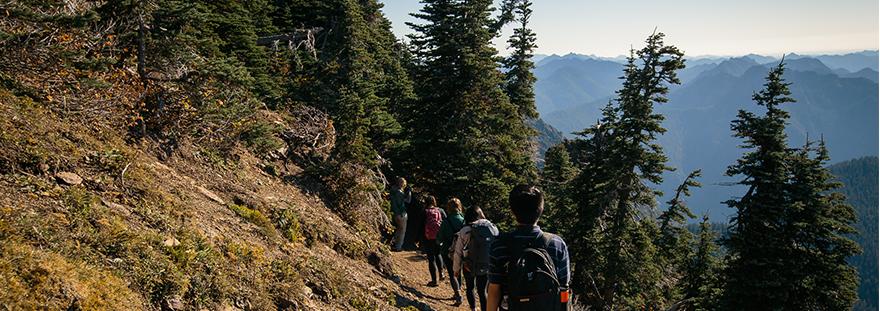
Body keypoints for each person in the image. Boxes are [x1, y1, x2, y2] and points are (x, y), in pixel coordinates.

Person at [487, 185, 571, 311]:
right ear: (541, 209)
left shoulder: (499, 244)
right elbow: (564, 287)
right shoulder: (556, 244)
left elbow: (494, 290)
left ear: (512, 211)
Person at [452, 207, 499, 311]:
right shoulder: (490, 227)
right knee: (482, 291)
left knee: (470, 288)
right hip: (485, 264)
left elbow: (458, 252)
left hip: (468, 264)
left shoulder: (464, 230)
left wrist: (456, 269)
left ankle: (473, 309)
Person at [438, 197, 466, 305]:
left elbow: (439, 238)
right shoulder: (464, 220)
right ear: (459, 207)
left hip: (448, 251)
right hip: (461, 251)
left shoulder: (446, 221)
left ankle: (457, 293)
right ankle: (457, 291)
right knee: (459, 272)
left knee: (452, 273)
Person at [423, 195, 446, 286]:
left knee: (431, 258)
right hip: (438, 237)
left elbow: (421, 225)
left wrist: (417, 238)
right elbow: (445, 222)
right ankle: (441, 273)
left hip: (428, 237)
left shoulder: (424, 212)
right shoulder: (440, 211)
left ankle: (434, 280)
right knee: (438, 254)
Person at [390, 177, 412, 251]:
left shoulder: (393, 191)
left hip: (394, 213)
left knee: (398, 229)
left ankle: (393, 243)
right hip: (401, 213)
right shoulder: (400, 192)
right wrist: (409, 192)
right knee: (402, 231)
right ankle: (398, 247)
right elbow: (408, 201)